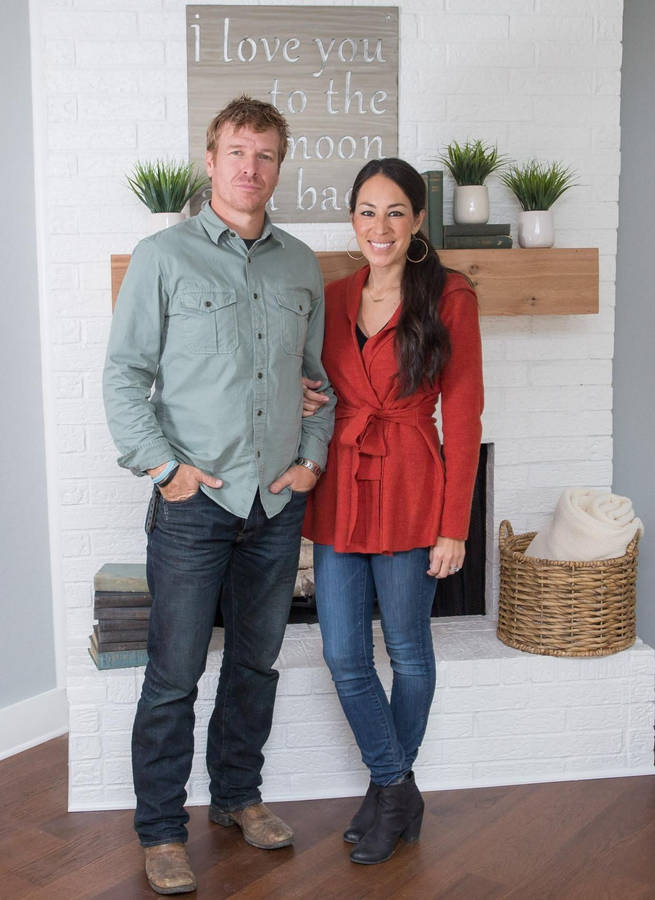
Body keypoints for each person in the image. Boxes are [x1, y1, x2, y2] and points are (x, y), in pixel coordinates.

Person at [102, 95, 335, 895]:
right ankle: (162, 831)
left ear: (279, 166)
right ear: (210, 161)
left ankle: (237, 796)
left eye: (265, 155)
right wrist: (162, 468)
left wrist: (310, 458)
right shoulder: (162, 256)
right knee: (172, 674)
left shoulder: (300, 264)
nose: (250, 168)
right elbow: (125, 375)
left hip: (275, 505)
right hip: (194, 504)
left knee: (256, 665)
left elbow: (318, 382)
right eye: (237, 151)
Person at [302, 158, 483, 865]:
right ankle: (396, 786)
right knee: (343, 653)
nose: (380, 227)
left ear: (416, 223)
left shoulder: (449, 296)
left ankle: (386, 795)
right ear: (352, 220)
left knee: (407, 650)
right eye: (367, 212)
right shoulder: (332, 294)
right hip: (342, 484)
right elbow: (312, 381)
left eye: (395, 212)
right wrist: (303, 396)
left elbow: (463, 415)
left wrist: (454, 525)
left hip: (413, 484)